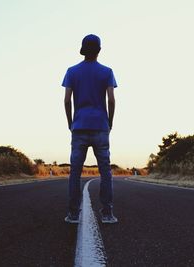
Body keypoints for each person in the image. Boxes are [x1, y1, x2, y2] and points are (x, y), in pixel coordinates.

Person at [62, 34, 118, 224]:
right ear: (99, 50)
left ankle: (73, 214)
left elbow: (67, 100)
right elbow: (111, 99)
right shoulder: (107, 71)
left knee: (75, 172)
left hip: (79, 127)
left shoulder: (72, 71)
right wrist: (110, 122)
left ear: (82, 49)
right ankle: (107, 214)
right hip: (100, 126)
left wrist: (70, 122)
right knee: (105, 172)